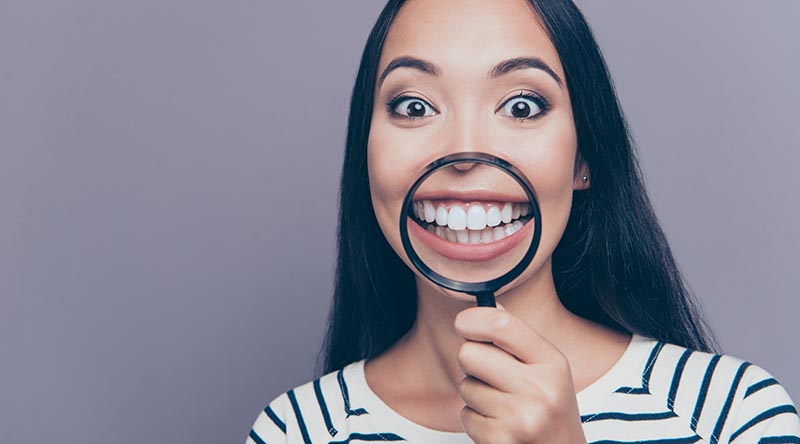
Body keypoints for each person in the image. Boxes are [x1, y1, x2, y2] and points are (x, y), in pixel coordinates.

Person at [246, 1, 800, 442]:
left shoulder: (733, 417)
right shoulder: (298, 431)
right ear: (366, 155)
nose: (464, 151)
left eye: (521, 106)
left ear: (584, 159)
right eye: (414, 106)